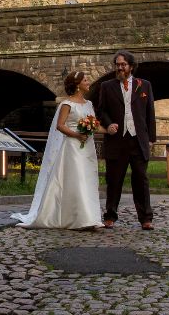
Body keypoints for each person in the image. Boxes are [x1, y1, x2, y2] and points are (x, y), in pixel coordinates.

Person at [11, 70, 102, 229]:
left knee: (88, 178)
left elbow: (95, 124)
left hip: (87, 146)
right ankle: (79, 219)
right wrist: (76, 135)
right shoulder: (67, 104)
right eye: (86, 80)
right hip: (72, 147)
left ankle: (89, 217)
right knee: (76, 179)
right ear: (77, 85)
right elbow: (60, 126)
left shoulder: (89, 104)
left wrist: (109, 130)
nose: (88, 82)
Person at [91, 50, 156, 230]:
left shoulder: (145, 86)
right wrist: (109, 124)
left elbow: (150, 112)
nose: (120, 68)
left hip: (138, 141)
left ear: (131, 67)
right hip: (116, 141)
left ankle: (146, 219)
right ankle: (110, 216)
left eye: (123, 65)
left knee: (141, 180)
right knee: (114, 180)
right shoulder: (107, 86)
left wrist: (151, 138)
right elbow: (101, 111)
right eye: (117, 65)